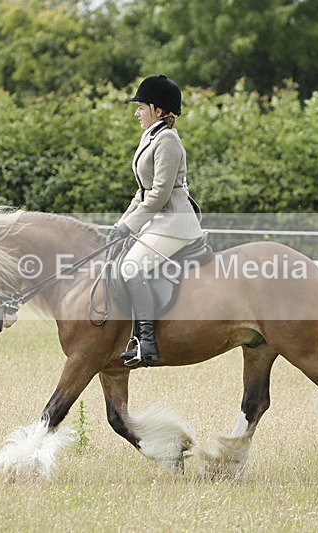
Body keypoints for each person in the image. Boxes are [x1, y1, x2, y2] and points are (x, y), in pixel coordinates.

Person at [108, 75, 204, 367]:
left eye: (141, 107)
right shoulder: (150, 136)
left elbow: (160, 194)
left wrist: (131, 226)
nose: (136, 112)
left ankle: (146, 343)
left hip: (174, 222)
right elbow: (142, 192)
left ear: (159, 110)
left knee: (130, 266)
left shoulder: (168, 141)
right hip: (158, 220)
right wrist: (121, 224)